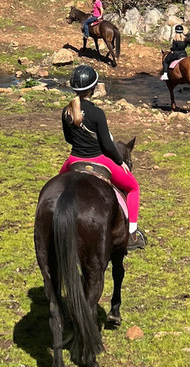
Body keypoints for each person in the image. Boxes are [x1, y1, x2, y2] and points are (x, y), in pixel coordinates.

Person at [59, 65, 146, 250]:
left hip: (74, 160)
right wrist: (120, 161)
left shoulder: (66, 111)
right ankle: (132, 233)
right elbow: (107, 145)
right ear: (93, 87)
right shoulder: (97, 113)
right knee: (133, 187)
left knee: (58, 187)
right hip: (98, 159)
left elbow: (68, 139)